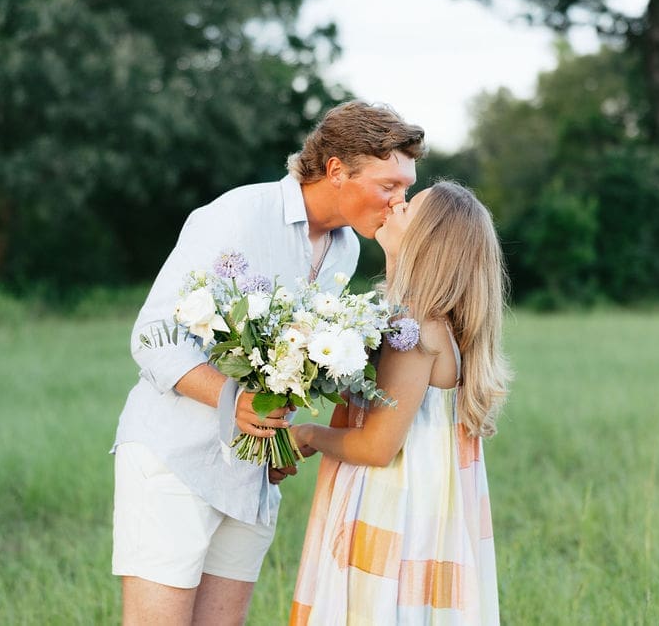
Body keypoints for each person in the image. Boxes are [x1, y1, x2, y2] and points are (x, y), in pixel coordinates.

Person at [112, 101, 426, 625]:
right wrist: (233, 401)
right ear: (336, 170)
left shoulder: (345, 250)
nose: (400, 203)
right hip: (175, 459)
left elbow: (290, 360)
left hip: (250, 475)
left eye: (406, 188)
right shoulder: (237, 214)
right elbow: (151, 336)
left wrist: (273, 435)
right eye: (388, 186)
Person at [289, 181, 511, 625]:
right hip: (412, 510)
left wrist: (308, 434)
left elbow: (377, 447)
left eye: (409, 207)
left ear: (427, 241)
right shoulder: (413, 318)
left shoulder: (415, 329)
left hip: (393, 511)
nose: (395, 203)